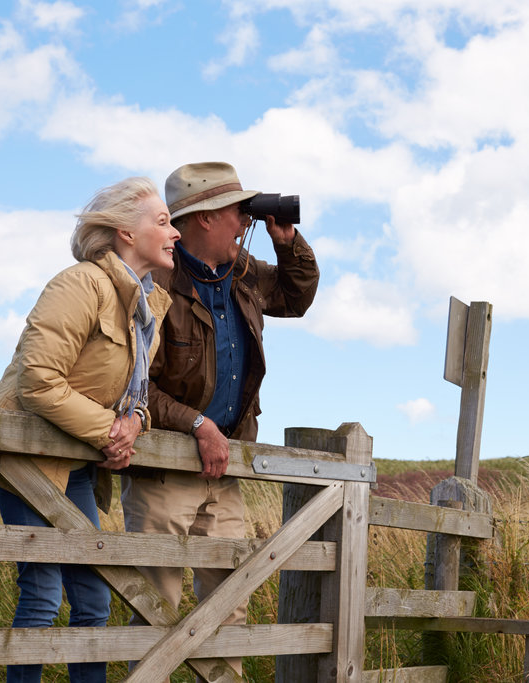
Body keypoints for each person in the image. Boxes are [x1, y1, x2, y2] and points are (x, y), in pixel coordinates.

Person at [120, 161, 320, 679]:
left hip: (223, 470)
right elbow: (137, 383)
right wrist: (197, 425)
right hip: (163, 469)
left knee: (229, 604)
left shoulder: (242, 270)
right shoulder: (156, 279)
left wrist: (286, 242)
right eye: (238, 210)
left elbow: (295, 297)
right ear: (205, 218)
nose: (244, 220)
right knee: (152, 605)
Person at [0, 176, 179, 683]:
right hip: (24, 459)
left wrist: (134, 422)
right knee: (44, 593)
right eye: (162, 221)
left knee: (93, 597)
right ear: (123, 232)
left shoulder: (147, 307)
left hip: (74, 466)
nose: (174, 232)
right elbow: (38, 382)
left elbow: (136, 397)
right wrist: (110, 431)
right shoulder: (80, 284)